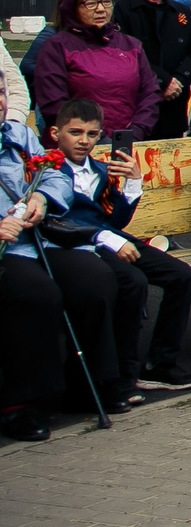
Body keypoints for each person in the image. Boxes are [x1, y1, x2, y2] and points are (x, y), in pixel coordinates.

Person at [35, 98, 191, 396]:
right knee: (131, 282)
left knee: (181, 275)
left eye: (92, 134)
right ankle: (123, 372)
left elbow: (117, 220)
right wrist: (107, 239)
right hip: (80, 245)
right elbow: (61, 221)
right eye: (75, 133)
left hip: (112, 239)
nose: (84, 141)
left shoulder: (101, 170)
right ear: (55, 134)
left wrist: (134, 184)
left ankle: (160, 363)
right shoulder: (46, 170)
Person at [2, 131, 124, 440]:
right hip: (8, 247)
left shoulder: (17, 135)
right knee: (37, 293)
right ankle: (18, 403)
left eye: (1, 91)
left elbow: (57, 177)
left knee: (95, 281)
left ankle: (88, 386)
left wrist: (41, 199)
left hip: (40, 238)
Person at [26, 0, 162, 147]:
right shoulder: (57, 47)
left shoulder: (131, 45)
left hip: (127, 144)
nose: (100, 9)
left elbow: (150, 92)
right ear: (73, 8)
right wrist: (96, 137)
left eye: (106, 2)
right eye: (91, 3)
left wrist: (136, 131)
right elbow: (54, 102)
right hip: (75, 148)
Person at [113, 0, 191, 140]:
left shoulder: (179, 11)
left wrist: (178, 79)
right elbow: (123, 53)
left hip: (174, 107)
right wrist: (162, 81)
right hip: (137, 109)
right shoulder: (122, 10)